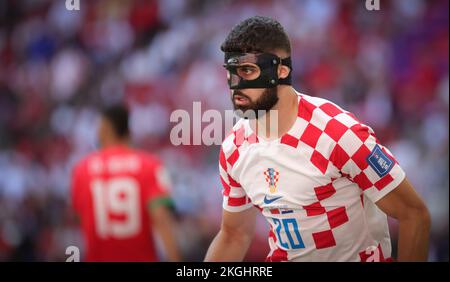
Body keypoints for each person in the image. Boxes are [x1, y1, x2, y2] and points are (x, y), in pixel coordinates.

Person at [205, 16, 430, 262]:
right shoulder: (234, 148)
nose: (235, 85)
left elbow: (414, 215)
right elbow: (234, 235)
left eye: (247, 70)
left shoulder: (340, 135)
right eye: (231, 72)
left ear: (281, 71)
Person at [71, 105, 181, 261]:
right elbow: (161, 218)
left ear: (104, 129)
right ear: (128, 131)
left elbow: (80, 217)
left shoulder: (81, 170)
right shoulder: (150, 165)